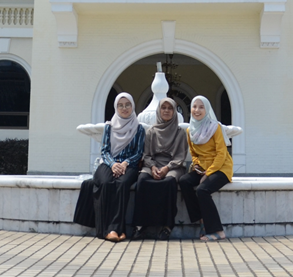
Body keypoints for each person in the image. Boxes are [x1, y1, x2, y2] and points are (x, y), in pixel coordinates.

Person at [179, 95, 233, 242]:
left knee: (203, 190)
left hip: (221, 168)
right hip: (202, 168)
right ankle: (201, 219)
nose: (197, 110)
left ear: (207, 109)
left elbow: (222, 153)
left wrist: (208, 173)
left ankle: (217, 231)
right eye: (194, 106)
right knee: (184, 181)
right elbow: (194, 153)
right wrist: (196, 165)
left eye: (201, 107)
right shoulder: (190, 130)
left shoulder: (215, 127)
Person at [132, 97, 188, 240]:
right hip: (153, 165)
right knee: (142, 181)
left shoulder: (180, 132)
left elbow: (180, 157)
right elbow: (147, 155)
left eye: (170, 108)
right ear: (159, 110)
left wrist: (167, 168)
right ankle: (140, 225)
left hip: (174, 165)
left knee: (169, 182)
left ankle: (167, 226)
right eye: (164, 108)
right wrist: (153, 168)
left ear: (175, 111)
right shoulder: (151, 131)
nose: (167, 111)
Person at [92, 92, 145, 242]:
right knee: (105, 183)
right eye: (120, 105)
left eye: (127, 105)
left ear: (132, 106)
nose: (124, 108)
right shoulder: (109, 127)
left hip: (129, 165)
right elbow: (104, 151)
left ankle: (116, 229)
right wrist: (114, 164)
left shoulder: (138, 129)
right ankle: (103, 229)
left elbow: (139, 152)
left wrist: (124, 164)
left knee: (122, 184)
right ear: (116, 107)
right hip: (110, 163)